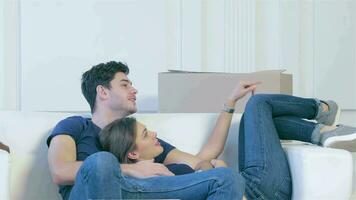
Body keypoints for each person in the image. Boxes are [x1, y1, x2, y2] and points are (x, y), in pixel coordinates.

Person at [47, 61, 248, 200]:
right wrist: (132, 169)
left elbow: (203, 158)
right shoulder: (75, 125)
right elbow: (60, 171)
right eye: (125, 85)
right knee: (102, 162)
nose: (134, 91)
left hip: (138, 191)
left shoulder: (142, 140)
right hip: (89, 194)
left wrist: (230, 103)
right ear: (103, 91)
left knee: (226, 177)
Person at [99, 117, 230, 175]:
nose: (154, 133)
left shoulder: (172, 169)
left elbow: (203, 162)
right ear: (133, 153)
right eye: (145, 135)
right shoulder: (167, 174)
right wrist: (222, 174)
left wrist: (207, 170)